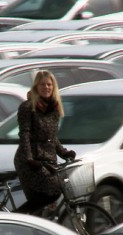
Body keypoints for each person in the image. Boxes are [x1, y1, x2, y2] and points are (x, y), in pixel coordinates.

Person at [13, 70, 76, 215]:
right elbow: (25, 134)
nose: (46, 87)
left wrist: (64, 152)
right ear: (36, 87)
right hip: (28, 161)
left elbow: (52, 137)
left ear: (53, 87)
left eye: (49, 84)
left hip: (47, 160)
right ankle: (17, 216)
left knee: (40, 207)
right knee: (53, 190)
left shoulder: (54, 108)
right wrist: (29, 159)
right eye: (42, 84)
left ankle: (31, 226)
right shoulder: (28, 107)